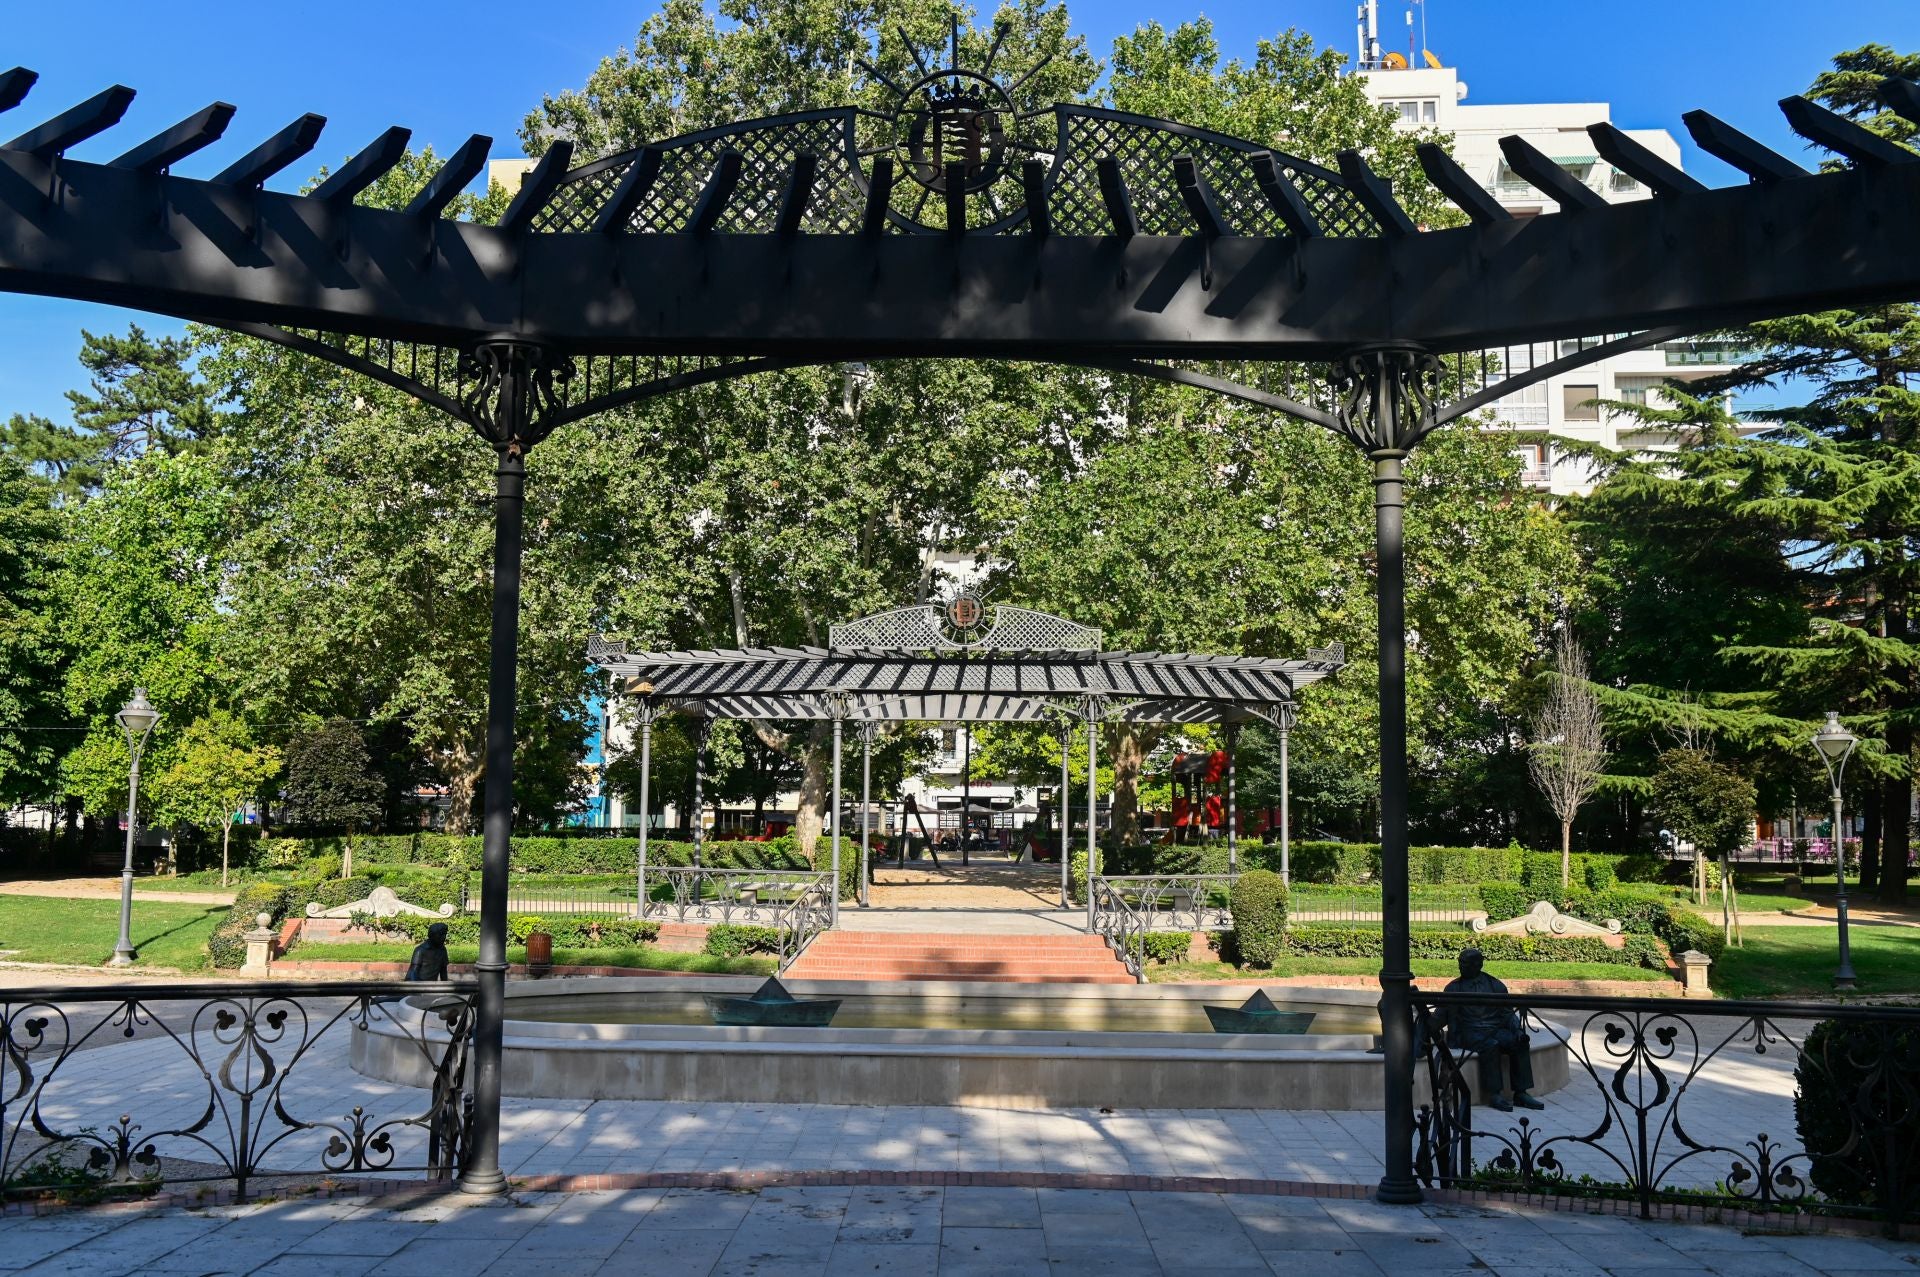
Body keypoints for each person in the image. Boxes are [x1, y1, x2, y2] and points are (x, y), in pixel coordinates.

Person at [1422, 947, 1544, 1113]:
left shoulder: (1495, 985)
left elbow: (1508, 1014)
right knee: (1490, 1045)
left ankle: (1521, 1093)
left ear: (1478, 965)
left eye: (1464, 963)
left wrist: (1518, 1031)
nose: (1460, 966)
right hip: (1469, 1031)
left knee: (1519, 1043)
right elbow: (1440, 1016)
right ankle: (1494, 1094)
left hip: (1494, 1028)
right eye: (1460, 962)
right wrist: (1425, 1024)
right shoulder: (1454, 988)